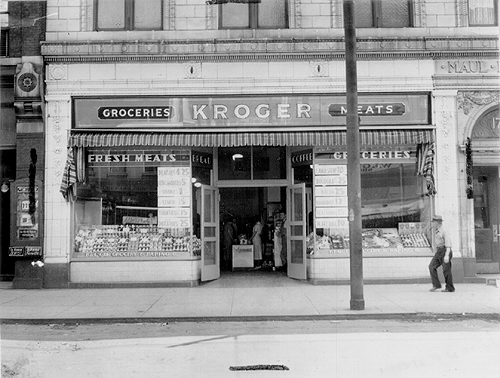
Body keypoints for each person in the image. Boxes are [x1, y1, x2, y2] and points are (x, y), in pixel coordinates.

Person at [428, 215, 455, 292]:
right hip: (439, 251)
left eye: (434, 222)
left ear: (437, 223)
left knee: (446, 270)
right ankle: (436, 285)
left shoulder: (444, 231)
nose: (432, 224)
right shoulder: (437, 231)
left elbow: (448, 245)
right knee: (431, 266)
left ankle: (450, 287)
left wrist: (446, 255)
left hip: (445, 251)